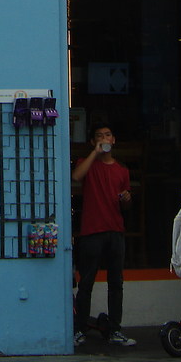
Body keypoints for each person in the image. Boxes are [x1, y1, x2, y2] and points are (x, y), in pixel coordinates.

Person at [72, 123, 134, 346]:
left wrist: (126, 199)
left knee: (116, 283)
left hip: (115, 230)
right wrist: (95, 153)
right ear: (93, 142)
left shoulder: (121, 170)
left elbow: (126, 203)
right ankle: (79, 330)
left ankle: (115, 329)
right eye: (99, 136)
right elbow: (77, 176)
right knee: (86, 282)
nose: (104, 139)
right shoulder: (87, 164)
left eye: (107, 135)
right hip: (92, 230)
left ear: (114, 140)